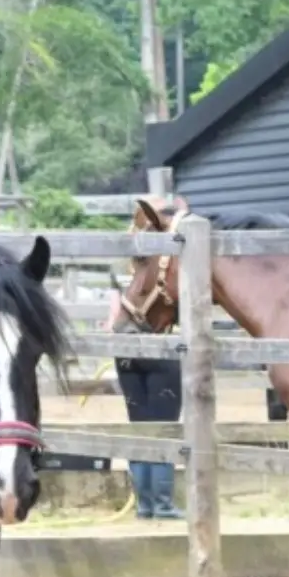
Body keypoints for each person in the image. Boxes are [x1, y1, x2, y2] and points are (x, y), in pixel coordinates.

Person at [107, 193, 188, 520]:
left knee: (138, 423)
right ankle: (162, 504)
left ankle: (145, 504)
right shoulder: (168, 251)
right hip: (156, 341)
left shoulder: (141, 252)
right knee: (163, 424)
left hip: (123, 338)